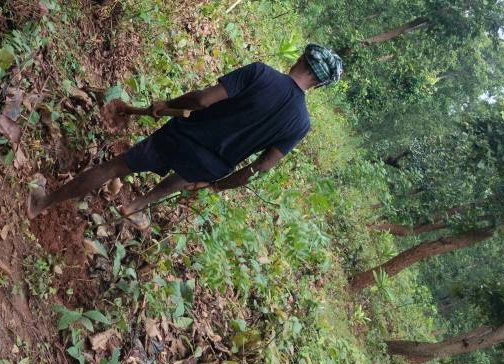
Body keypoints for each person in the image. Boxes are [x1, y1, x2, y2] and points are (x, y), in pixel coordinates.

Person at [28, 45, 344, 230]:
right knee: (182, 177)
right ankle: (136, 205)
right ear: (318, 85)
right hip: (212, 166)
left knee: (115, 168)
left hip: (183, 136)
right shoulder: (301, 124)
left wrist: (167, 105)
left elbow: (203, 100)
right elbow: (261, 167)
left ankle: (42, 204)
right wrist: (217, 185)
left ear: (301, 60)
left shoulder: (261, 74)